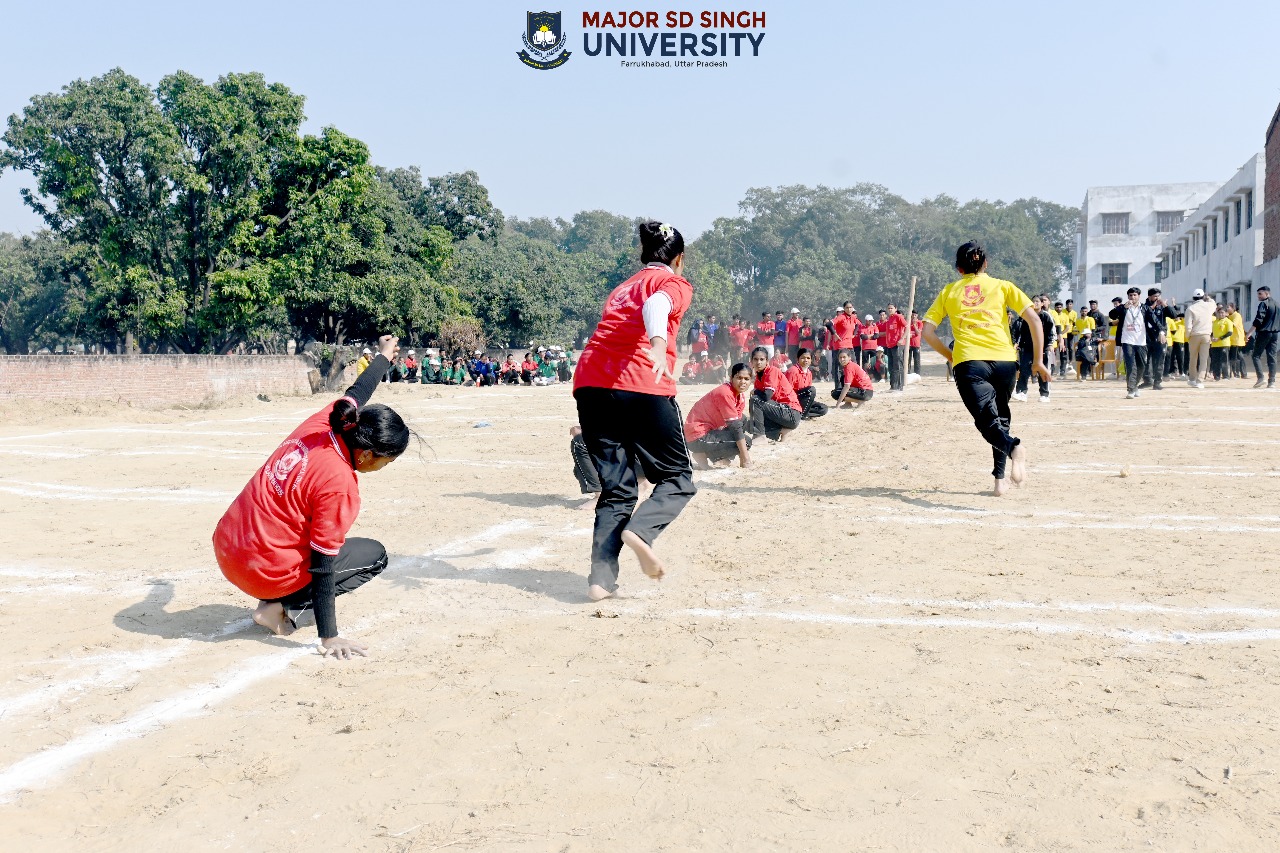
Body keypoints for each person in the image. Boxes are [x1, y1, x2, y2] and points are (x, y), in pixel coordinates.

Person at [213, 334, 408, 659]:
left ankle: (276, 594)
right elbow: (323, 563)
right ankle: (280, 608)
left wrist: (384, 355)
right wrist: (329, 636)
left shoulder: (327, 424)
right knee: (375, 556)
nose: (383, 468)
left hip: (226, 545)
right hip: (256, 570)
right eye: (386, 462)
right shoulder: (340, 484)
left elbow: (359, 390)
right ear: (367, 455)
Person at [573, 221, 697, 602]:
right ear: (679, 259)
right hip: (641, 381)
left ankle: (600, 580)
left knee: (616, 489)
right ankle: (641, 531)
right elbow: (657, 305)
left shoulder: (622, 288)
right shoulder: (673, 283)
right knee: (677, 478)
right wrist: (658, 345)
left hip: (590, 384)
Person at [921, 241, 1046, 497]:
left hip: (970, 363)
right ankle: (999, 481)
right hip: (1005, 362)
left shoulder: (949, 291)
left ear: (959, 269)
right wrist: (1038, 360)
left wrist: (951, 357)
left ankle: (1014, 448)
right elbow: (1034, 319)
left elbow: (927, 333)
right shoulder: (1003, 286)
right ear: (986, 264)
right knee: (1000, 418)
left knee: (987, 422)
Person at [684, 363, 752, 469]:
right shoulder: (725, 393)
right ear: (731, 378)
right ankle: (703, 454)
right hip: (696, 436)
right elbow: (735, 428)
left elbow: (736, 425)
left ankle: (718, 457)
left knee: (742, 420)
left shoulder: (740, 396)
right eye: (739, 378)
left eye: (746, 379)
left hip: (709, 431)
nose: (743, 382)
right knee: (746, 442)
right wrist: (745, 458)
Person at [747, 346, 803, 441]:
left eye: (762, 359)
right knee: (749, 424)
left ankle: (759, 435)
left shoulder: (772, 371)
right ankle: (781, 430)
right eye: (755, 359)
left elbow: (767, 396)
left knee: (755, 400)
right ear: (751, 361)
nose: (758, 362)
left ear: (767, 361)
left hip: (791, 412)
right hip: (779, 411)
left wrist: (755, 391)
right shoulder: (758, 378)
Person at [1249, 284, 1280, 388]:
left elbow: (1258, 319)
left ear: (1267, 293)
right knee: (1272, 357)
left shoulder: (1264, 304)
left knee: (1256, 355)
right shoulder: (1277, 304)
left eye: (1260, 294)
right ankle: (1272, 382)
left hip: (1264, 333)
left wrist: (1249, 333)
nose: (1258, 296)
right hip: (1275, 334)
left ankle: (1261, 378)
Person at [1184, 289, 1216, 388]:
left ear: (1193, 298)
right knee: (1204, 358)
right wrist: (1208, 298)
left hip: (1194, 335)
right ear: (1203, 297)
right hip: (1206, 335)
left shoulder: (1190, 308)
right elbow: (1214, 303)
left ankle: (1192, 379)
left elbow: (1188, 325)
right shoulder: (1209, 306)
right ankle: (1200, 380)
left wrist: (1188, 336)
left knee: (1193, 358)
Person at [786, 348, 828, 419]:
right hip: (793, 399)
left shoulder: (809, 372)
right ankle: (802, 415)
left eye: (808, 358)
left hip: (802, 400)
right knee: (811, 390)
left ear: (811, 360)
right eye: (803, 358)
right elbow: (787, 392)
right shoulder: (793, 371)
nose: (806, 360)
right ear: (797, 359)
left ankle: (801, 413)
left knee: (823, 408)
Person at [829, 303, 857, 388]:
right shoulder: (841, 317)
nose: (849, 309)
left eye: (850, 307)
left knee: (853, 365)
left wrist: (854, 334)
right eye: (847, 307)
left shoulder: (853, 317)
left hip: (849, 346)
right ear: (844, 308)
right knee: (839, 367)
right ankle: (838, 388)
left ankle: (852, 386)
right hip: (840, 346)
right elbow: (828, 324)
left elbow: (858, 325)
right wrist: (834, 334)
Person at [1211, 306, 1234, 380]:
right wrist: (1211, 337)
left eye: (1222, 313)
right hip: (1215, 344)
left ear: (1226, 313)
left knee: (1224, 360)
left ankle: (1226, 376)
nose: (1221, 314)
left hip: (1224, 344)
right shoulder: (1215, 322)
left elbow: (1229, 333)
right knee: (1215, 361)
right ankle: (1216, 376)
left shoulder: (1228, 321)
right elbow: (1212, 332)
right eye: (1219, 313)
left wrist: (1219, 338)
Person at [1228, 303, 1247, 379]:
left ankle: (1242, 373)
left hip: (1237, 339)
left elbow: (1233, 325)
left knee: (1238, 356)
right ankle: (1238, 373)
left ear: (1233, 308)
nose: (1227, 309)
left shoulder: (1237, 315)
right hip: (1232, 339)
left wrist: (1225, 318)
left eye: (1228, 307)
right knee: (1235, 356)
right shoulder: (1229, 316)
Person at [908, 312, 923, 376]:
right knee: (908, 360)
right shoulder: (908, 322)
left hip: (916, 344)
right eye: (912, 315)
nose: (913, 316)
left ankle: (917, 374)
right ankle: (907, 373)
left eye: (915, 315)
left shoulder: (919, 323)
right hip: (908, 344)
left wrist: (914, 325)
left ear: (917, 315)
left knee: (916, 360)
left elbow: (918, 333)